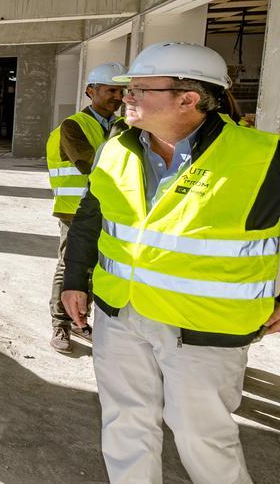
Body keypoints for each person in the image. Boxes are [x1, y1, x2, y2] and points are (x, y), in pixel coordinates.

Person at [62, 41, 280, 484]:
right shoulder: (116, 148)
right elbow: (91, 219)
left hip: (204, 326)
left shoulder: (262, 156)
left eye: (141, 89)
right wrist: (75, 279)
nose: (128, 97)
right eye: (128, 89)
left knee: (203, 437)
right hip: (120, 313)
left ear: (188, 99)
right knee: (125, 424)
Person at [45, 62, 126, 352]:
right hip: (74, 209)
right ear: (91, 91)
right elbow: (93, 165)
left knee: (94, 269)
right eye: (110, 90)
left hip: (110, 209)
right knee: (69, 266)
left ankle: (81, 320)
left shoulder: (124, 126)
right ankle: (61, 324)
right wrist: (121, 132)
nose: (118, 96)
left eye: (121, 90)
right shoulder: (73, 126)